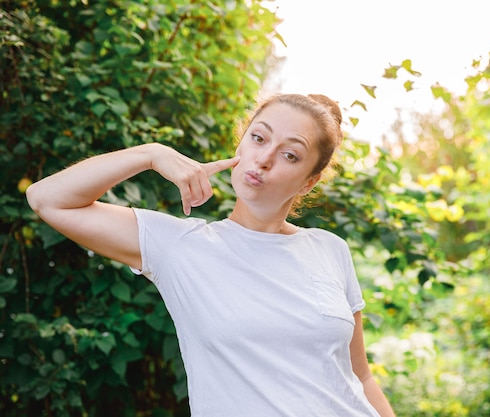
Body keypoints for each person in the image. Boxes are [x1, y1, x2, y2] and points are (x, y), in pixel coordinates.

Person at [26, 93, 396, 417]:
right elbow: (48, 199)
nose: (264, 158)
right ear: (241, 144)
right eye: (258, 137)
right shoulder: (179, 246)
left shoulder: (329, 248)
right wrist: (152, 154)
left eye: (289, 154)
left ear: (308, 181)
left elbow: (359, 374)